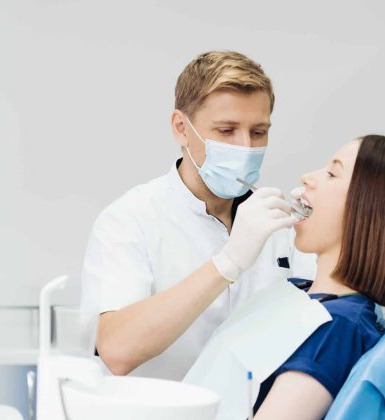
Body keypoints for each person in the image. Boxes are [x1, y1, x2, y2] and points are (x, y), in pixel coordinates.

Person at [83, 51, 314, 380]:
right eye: (226, 130)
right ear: (181, 128)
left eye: (259, 132)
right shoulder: (130, 219)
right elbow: (117, 351)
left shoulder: (281, 224)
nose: (245, 147)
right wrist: (227, 263)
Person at [253, 134, 385, 420]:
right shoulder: (312, 300)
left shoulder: (336, 328)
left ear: (368, 211)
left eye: (332, 173)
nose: (306, 178)